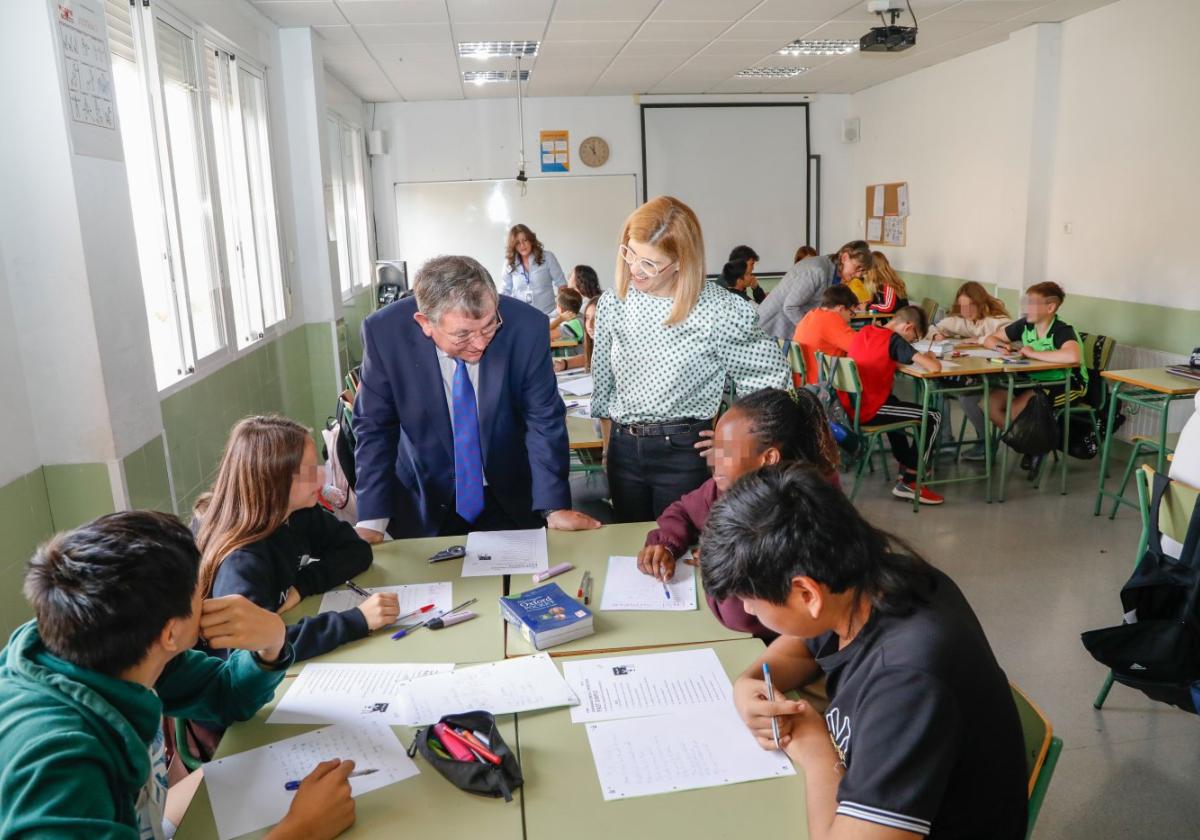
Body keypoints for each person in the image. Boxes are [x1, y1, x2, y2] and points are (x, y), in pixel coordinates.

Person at [701, 464, 1028, 840]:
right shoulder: (862, 582)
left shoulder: (907, 679)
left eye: (749, 600)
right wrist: (749, 684)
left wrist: (815, 748)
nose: (747, 611)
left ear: (807, 594)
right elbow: (798, 650)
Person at [0, 511, 357, 840]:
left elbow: (226, 695)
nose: (205, 602)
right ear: (171, 633)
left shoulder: (112, 645)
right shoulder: (60, 762)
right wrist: (298, 832)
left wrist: (273, 642)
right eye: (198, 593)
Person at [354, 255, 600, 541]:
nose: (481, 343)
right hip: (425, 496)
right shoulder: (385, 333)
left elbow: (543, 419)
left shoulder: (526, 326)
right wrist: (372, 520)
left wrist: (553, 506)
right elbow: (374, 428)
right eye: (463, 334)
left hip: (508, 493)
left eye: (489, 325)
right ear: (426, 323)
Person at [590, 196, 790, 522]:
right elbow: (603, 381)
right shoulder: (616, 301)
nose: (634, 270)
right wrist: (608, 445)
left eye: (649, 264)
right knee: (630, 547)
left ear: (682, 260)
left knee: (681, 552)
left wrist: (735, 443)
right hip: (624, 449)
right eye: (630, 253)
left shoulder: (718, 310)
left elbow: (770, 381)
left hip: (683, 453)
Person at [636, 389, 840, 641]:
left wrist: (716, 556)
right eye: (714, 447)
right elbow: (683, 510)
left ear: (768, 458)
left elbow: (739, 617)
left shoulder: (799, 515)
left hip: (774, 649)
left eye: (726, 451)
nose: (713, 459)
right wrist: (666, 544)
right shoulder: (734, 484)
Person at [194, 416, 394, 663]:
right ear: (274, 483)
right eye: (308, 471)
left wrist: (301, 587)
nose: (321, 477)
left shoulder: (298, 514)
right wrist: (357, 620)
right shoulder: (241, 560)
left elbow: (356, 550)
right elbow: (253, 652)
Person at [839, 305, 945, 504]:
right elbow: (934, 367)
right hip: (870, 408)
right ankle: (912, 481)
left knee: (894, 403)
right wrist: (929, 358)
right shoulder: (894, 340)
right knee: (933, 416)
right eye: (913, 339)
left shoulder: (866, 330)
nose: (911, 344)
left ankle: (906, 463)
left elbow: (881, 358)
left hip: (853, 405)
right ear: (908, 327)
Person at [981, 281, 1087, 476]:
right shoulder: (1025, 325)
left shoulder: (1061, 330)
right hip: (1033, 380)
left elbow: (1072, 356)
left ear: (1050, 307)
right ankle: (1031, 444)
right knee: (987, 403)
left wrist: (1032, 353)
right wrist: (1001, 347)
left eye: (1032, 303)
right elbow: (990, 339)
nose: (1026, 308)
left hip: (1065, 384)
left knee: (1014, 412)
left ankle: (1033, 444)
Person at [928, 281, 1013, 460]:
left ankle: (985, 443)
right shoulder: (961, 320)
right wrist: (936, 334)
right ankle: (945, 443)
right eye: (962, 306)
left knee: (967, 397)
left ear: (980, 303)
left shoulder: (997, 321)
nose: (965, 311)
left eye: (969, 306)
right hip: (975, 371)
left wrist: (983, 339)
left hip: (999, 375)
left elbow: (1012, 340)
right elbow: (932, 326)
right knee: (937, 389)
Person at [758, 240, 873, 340]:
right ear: (844, 258)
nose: (858, 275)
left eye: (862, 271)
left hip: (785, 331)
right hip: (771, 329)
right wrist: (813, 331)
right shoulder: (817, 271)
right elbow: (791, 307)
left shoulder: (834, 272)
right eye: (857, 268)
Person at [792, 285, 858, 386]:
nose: (850, 319)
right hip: (822, 385)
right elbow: (859, 347)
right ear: (841, 308)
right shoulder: (831, 319)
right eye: (851, 313)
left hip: (803, 382)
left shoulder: (811, 314)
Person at [498, 224, 566, 315]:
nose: (522, 245)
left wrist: (560, 311)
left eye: (525, 240)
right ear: (513, 245)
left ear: (531, 240)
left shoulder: (547, 257)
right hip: (522, 316)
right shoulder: (509, 263)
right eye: (518, 243)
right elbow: (504, 292)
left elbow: (562, 286)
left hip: (548, 315)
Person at [553, 296, 597, 374]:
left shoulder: (576, 322)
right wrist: (564, 364)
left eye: (595, 318)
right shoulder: (579, 318)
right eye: (587, 318)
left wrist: (559, 319)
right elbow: (591, 356)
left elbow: (544, 334)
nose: (589, 325)